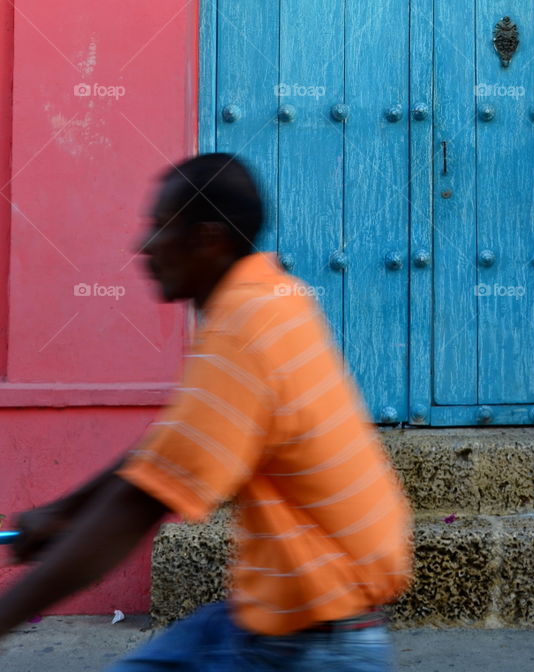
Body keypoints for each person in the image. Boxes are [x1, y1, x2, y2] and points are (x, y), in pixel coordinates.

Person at [0, 153, 413, 669]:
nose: (144, 247)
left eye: (160, 228)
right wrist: (63, 511)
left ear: (208, 240)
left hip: (313, 645)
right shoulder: (269, 296)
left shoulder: (245, 328)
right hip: (275, 620)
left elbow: (138, 507)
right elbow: (161, 456)